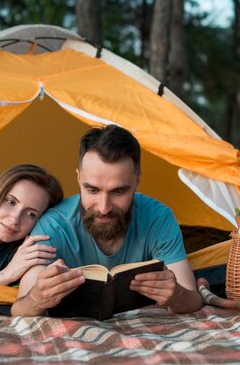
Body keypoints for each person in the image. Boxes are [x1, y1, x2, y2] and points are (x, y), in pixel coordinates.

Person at [11, 125, 203, 316]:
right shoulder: (53, 225)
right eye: (92, 190)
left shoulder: (158, 218)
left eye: (118, 191)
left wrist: (176, 295)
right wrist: (36, 299)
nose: (104, 208)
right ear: (79, 179)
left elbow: (192, 299)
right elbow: (19, 310)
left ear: (137, 181)